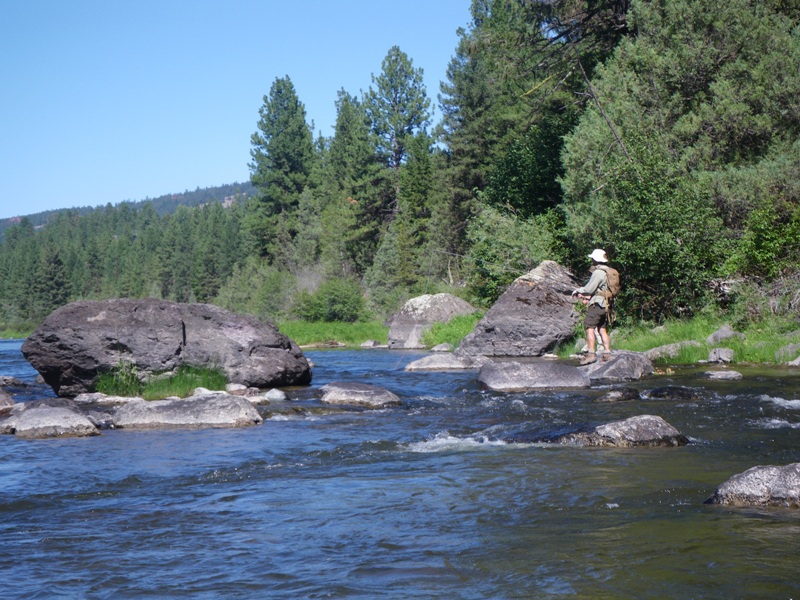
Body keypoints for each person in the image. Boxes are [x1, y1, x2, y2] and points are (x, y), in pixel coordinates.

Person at [572, 248, 612, 365]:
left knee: (589, 327)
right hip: (606, 305)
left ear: (595, 260)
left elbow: (589, 289)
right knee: (602, 329)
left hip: (597, 304)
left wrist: (578, 291)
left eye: (592, 259)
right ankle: (607, 353)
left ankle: (591, 354)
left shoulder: (598, 273)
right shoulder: (608, 271)